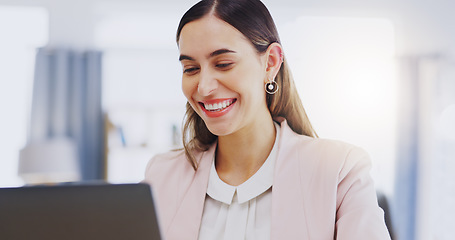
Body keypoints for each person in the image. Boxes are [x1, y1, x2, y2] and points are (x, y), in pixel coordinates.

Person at [143, 0, 391, 239]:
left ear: (271, 62)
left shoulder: (340, 171)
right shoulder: (161, 175)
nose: (204, 87)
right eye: (191, 69)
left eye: (223, 64)